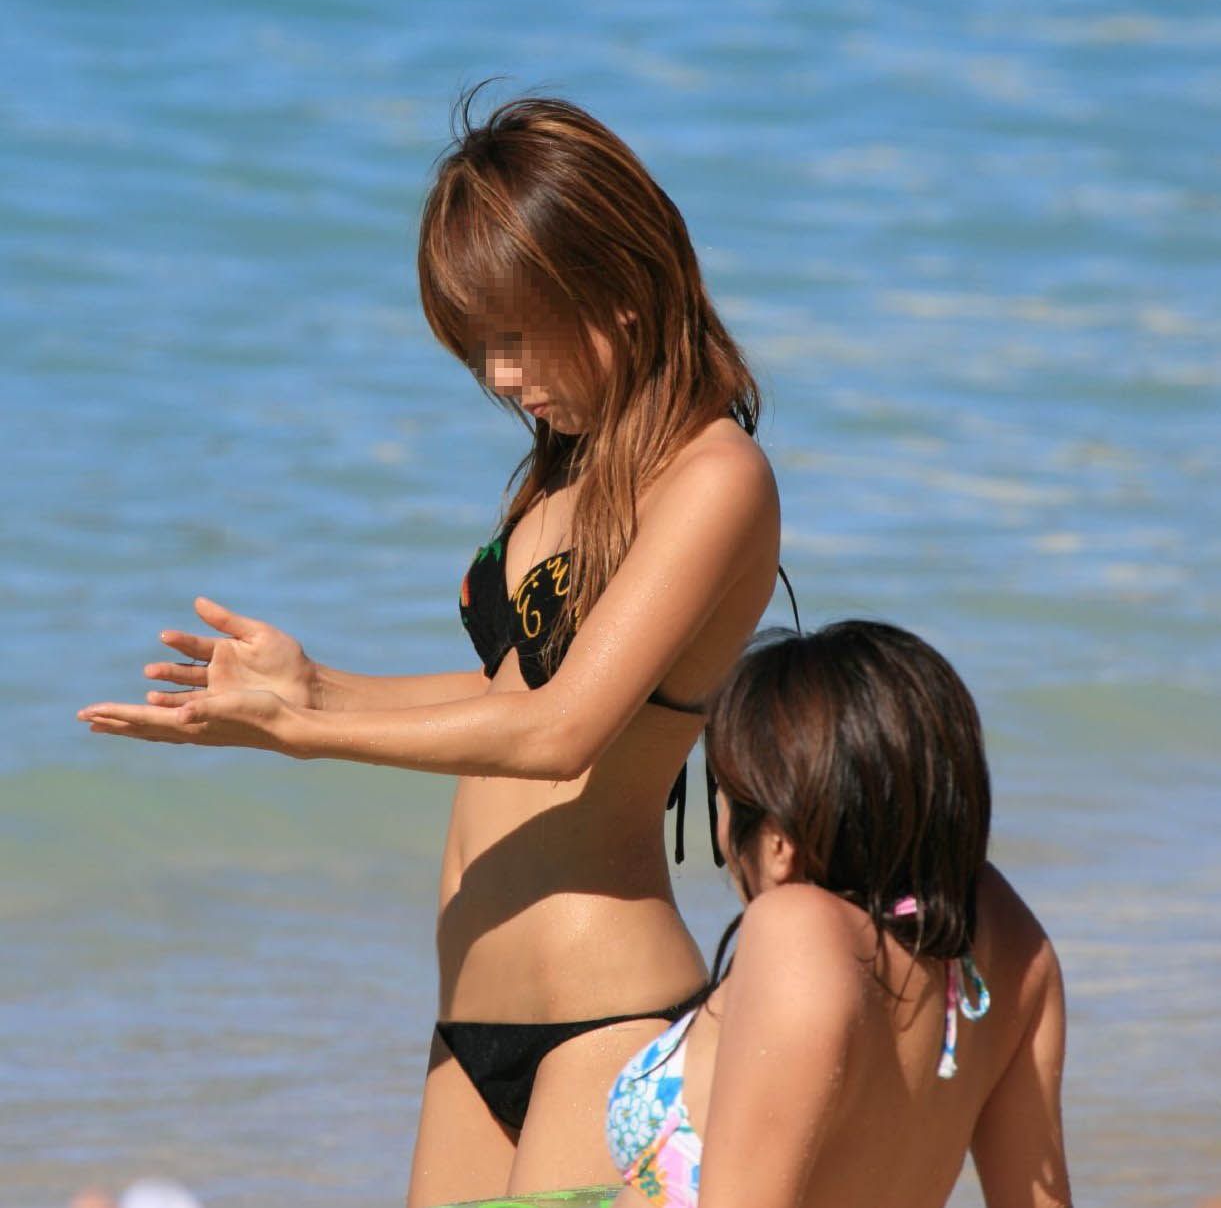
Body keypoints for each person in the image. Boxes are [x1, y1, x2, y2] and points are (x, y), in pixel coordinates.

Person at [77, 89, 784, 1206]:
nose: (500, 376)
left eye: (516, 334)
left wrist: (307, 735)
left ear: (614, 283)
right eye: (477, 346)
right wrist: (315, 686)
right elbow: (508, 691)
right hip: (468, 1020)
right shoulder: (565, 470)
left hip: (602, 1019)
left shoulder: (715, 477)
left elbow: (560, 732)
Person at [605, 621, 1072, 1208]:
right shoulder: (1008, 932)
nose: (722, 832)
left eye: (723, 798)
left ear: (778, 841)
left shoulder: (795, 932)